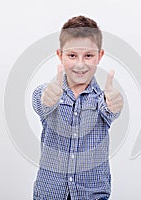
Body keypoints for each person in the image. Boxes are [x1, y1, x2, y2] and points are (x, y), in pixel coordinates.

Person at [32, 15, 123, 200]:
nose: (80, 64)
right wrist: (46, 98)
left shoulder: (102, 99)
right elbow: (41, 101)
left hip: (92, 195)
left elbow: (111, 110)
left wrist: (114, 105)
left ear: (100, 56)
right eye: (72, 55)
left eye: (88, 55)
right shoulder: (49, 93)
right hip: (49, 194)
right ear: (60, 55)